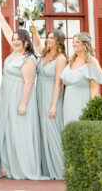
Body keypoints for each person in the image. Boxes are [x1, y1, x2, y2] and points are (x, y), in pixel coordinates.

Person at [0, 13, 46, 180]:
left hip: (20, 97)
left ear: (26, 41)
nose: (15, 41)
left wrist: (23, 104)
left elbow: (29, 82)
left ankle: (25, 168)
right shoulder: (15, 53)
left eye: (18, 39)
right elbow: (6, 32)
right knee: (11, 131)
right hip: (8, 98)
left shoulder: (29, 58)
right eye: (14, 39)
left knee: (21, 132)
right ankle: (14, 167)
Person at [35, 28, 68, 180]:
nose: (48, 40)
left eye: (51, 38)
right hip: (39, 95)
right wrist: (32, 24)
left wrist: (54, 105)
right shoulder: (43, 53)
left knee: (52, 130)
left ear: (58, 41)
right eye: (47, 37)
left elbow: (58, 83)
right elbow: (36, 42)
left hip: (51, 96)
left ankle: (59, 169)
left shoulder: (60, 59)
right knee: (42, 130)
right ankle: (47, 169)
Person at [60, 31, 102, 128]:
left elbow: (94, 88)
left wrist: (94, 109)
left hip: (82, 102)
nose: (74, 44)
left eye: (77, 42)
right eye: (73, 42)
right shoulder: (71, 60)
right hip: (68, 103)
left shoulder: (91, 61)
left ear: (84, 45)